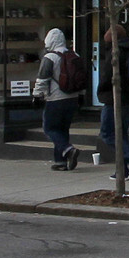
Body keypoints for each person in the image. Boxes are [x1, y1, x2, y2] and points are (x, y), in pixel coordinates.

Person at [97, 26, 129, 179]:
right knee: (120, 133)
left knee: (107, 133)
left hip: (114, 98)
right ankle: (122, 170)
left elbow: (107, 76)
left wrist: (101, 91)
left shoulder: (116, 52)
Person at [34, 28, 83, 171]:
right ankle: (60, 161)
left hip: (55, 98)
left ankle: (68, 150)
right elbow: (80, 78)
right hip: (73, 98)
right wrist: (81, 95)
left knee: (49, 128)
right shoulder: (75, 55)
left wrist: (36, 95)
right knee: (63, 129)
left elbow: (42, 79)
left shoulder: (50, 57)